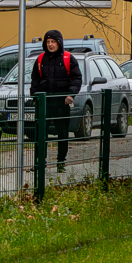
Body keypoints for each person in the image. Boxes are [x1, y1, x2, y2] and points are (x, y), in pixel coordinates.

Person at [30, 30, 83, 174]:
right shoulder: (41, 59)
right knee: (41, 134)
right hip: (44, 102)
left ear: (59, 42)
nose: (50, 44)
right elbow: (35, 79)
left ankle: (61, 162)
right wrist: (34, 96)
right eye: (48, 42)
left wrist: (71, 94)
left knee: (62, 134)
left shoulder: (68, 58)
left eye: (53, 41)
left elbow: (77, 78)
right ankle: (40, 163)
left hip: (61, 103)